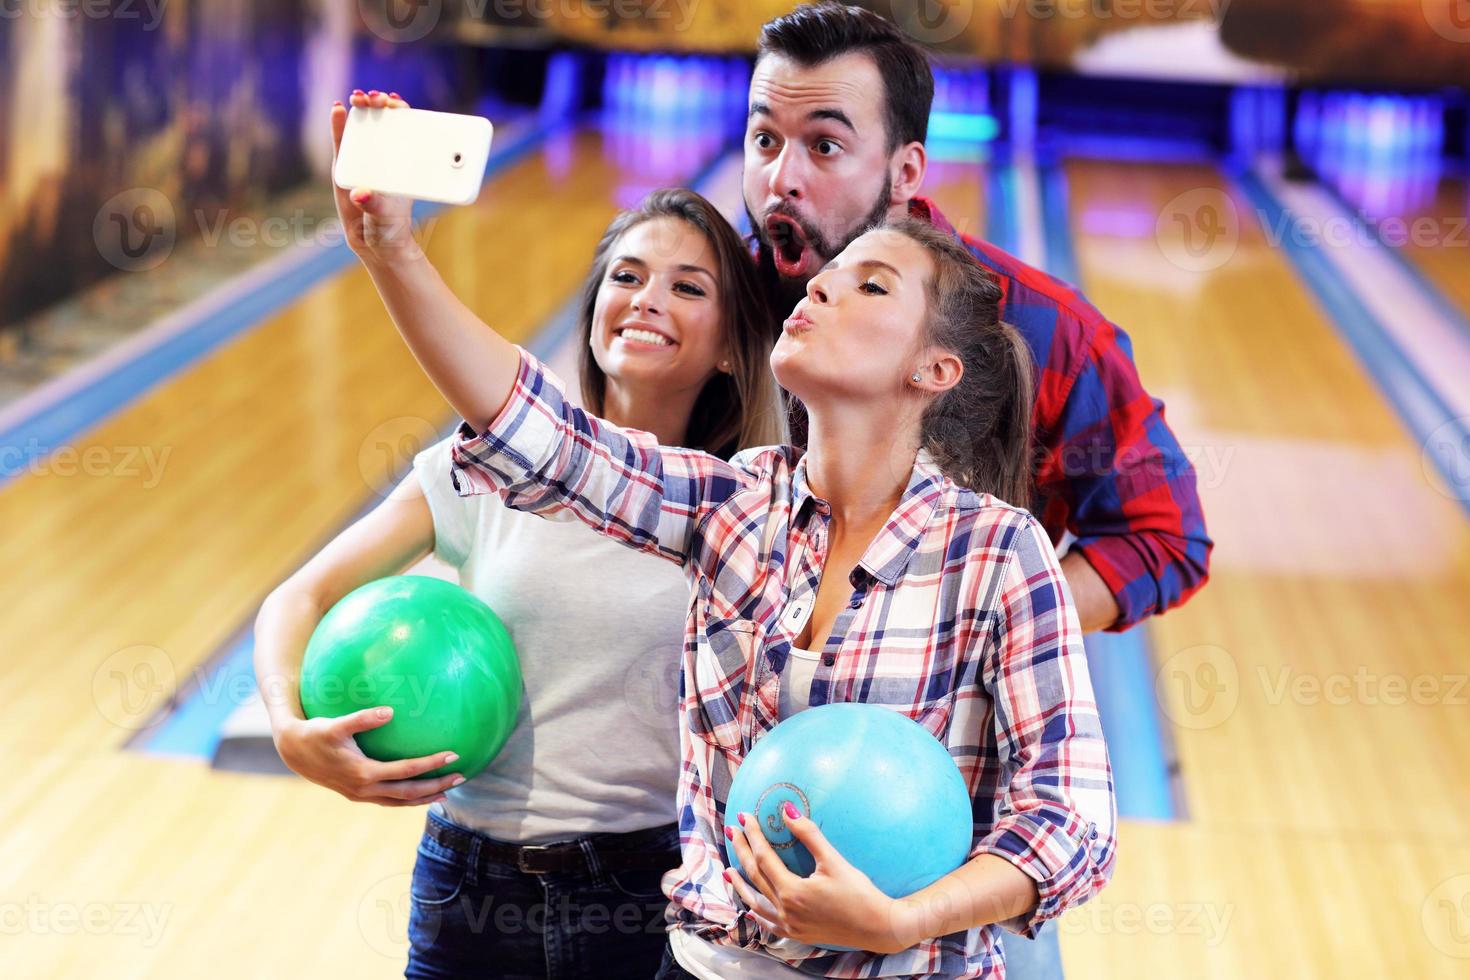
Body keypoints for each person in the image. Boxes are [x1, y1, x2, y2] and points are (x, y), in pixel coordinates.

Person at [357, 141, 1117, 977]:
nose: (820, 286)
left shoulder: (1000, 553)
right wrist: (391, 247)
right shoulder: (731, 506)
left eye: (870, 286)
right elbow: (542, 435)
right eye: (827, 278)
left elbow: (1068, 820)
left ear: (934, 369)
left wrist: (902, 920)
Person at [251, 91, 786, 980]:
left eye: (689, 287)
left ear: (733, 347)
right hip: (467, 882)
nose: (648, 300)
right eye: (627, 276)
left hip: (646, 897)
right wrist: (286, 725)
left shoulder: (746, 508)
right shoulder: (494, 466)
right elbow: (299, 596)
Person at [743, 2, 1212, 638]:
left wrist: (980, 633)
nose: (781, 179)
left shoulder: (1047, 331)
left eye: (826, 146)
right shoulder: (717, 295)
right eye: (765, 139)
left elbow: (1162, 535)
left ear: (904, 171)